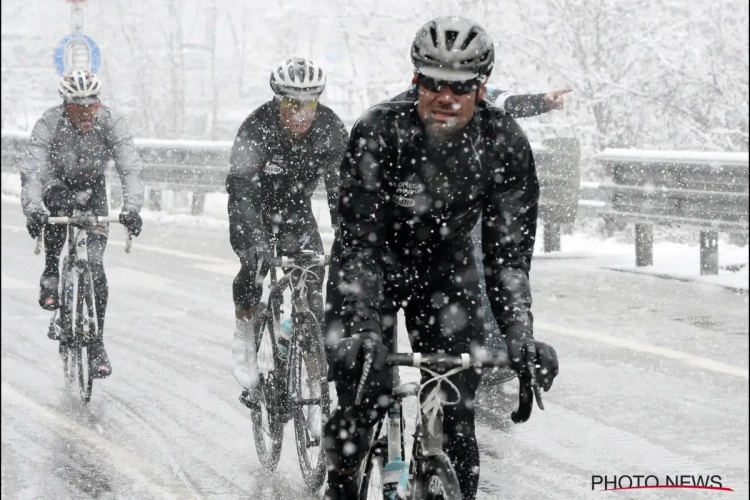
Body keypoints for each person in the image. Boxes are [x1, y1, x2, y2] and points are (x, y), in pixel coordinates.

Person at [323, 17, 559, 500]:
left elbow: (508, 256)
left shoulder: (503, 140)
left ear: (482, 87)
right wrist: (365, 326)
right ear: (416, 81)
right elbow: (358, 243)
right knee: (362, 403)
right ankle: (341, 485)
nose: (446, 97)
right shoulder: (379, 130)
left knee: (456, 422)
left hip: (446, 274)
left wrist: (520, 335)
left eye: (461, 86)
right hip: (371, 270)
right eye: (433, 83)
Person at [227, 57, 348, 398]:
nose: (301, 114)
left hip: (295, 208)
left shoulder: (330, 128)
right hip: (253, 206)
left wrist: (347, 236)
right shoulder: (257, 127)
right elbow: (241, 187)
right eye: (292, 104)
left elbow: (342, 191)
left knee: (311, 283)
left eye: (309, 104)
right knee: (254, 267)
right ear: (278, 100)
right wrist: (254, 239)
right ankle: (245, 332)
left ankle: (314, 383)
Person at [20, 70, 144, 378]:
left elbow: (130, 168)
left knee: (97, 267)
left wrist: (132, 208)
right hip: (56, 183)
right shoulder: (49, 123)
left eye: (92, 106)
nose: (87, 113)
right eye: (78, 108)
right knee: (58, 208)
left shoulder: (111, 122)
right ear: (65, 106)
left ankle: (98, 343)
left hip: (93, 190)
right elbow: (33, 170)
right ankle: (51, 270)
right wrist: (34, 208)